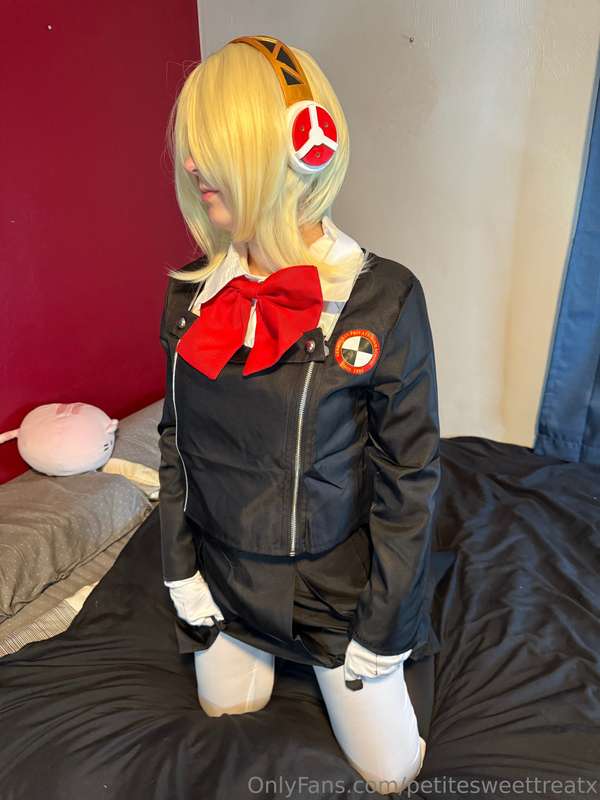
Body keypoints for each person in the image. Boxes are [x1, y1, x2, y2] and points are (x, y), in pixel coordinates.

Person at [157, 35, 444, 795]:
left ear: (298, 145)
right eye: (191, 145)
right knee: (225, 713)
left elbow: (410, 477)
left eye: (216, 145)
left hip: (334, 597)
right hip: (221, 578)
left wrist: (385, 627)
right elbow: (175, 443)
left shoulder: (383, 299)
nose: (192, 163)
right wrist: (181, 573)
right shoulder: (190, 294)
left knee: (392, 771)